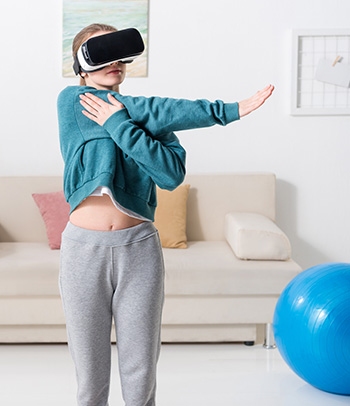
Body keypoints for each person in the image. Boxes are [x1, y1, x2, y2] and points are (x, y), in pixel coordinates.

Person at [57, 23, 274, 406]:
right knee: (90, 377)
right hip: (82, 250)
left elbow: (171, 175)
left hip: (138, 248)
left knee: (140, 372)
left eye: (121, 55)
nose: (116, 63)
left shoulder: (150, 120)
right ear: (81, 65)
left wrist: (120, 125)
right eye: (102, 53)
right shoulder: (72, 102)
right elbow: (154, 110)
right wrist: (224, 112)